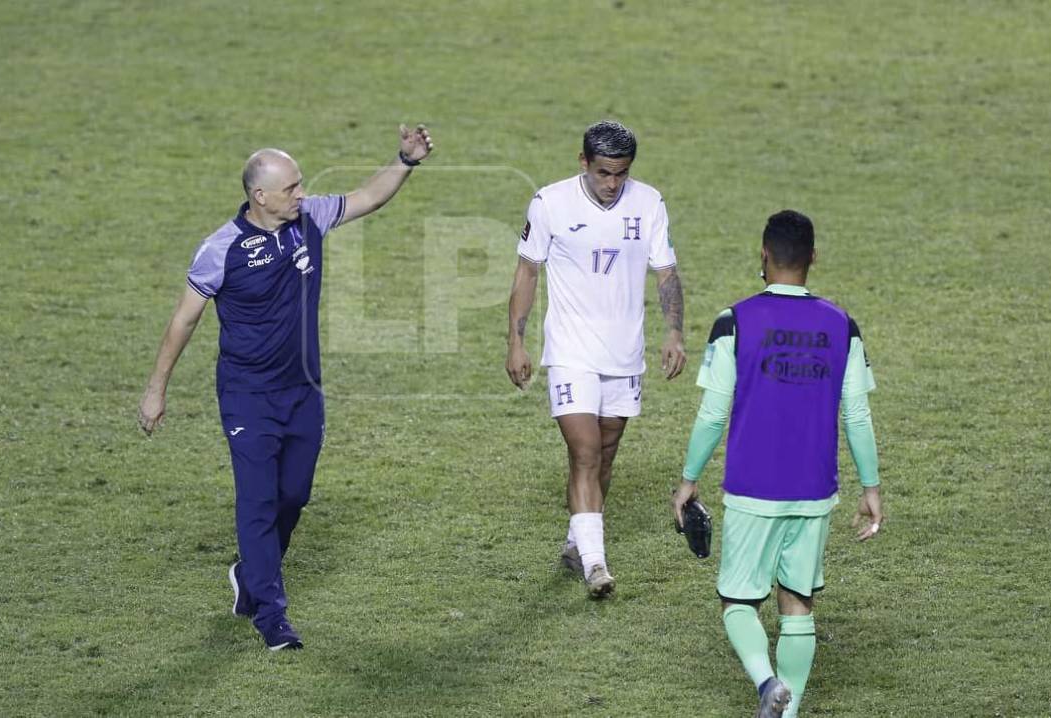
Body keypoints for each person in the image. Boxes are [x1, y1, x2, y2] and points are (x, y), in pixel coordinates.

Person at [138, 125, 434, 650]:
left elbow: (368, 197)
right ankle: (271, 617)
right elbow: (184, 321)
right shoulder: (220, 249)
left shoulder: (310, 219)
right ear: (261, 196)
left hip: (303, 392)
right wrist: (156, 390)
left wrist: (405, 161)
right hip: (247, 395)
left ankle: (250, 575)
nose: (302, 193)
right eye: (292, 187)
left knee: (293, 495)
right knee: (256, 500)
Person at [672, 210, 884, 717]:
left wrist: (688, 479)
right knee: (798, 604)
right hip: (814, 489)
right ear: (813, 258)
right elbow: (856, 412)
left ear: (763, 255)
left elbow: (713, 412)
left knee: (739, 602)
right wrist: (871, 486)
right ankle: (786, 714)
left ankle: (767, 683)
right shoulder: (842, 325)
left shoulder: (735, 321)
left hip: (752, 486)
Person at [506, 120, 686, 598]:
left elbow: (666, 272)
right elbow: (527, 273)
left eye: (621, 174)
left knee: (604, 456)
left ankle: (576, 542)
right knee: (584, 451)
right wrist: (516, 341)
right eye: (604, 173)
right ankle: (595, 566)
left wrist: (673, 332)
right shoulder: (550, 203)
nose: (612, 184)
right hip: (570, 352)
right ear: (583, 162)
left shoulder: (648, 203)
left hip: (624, 355)